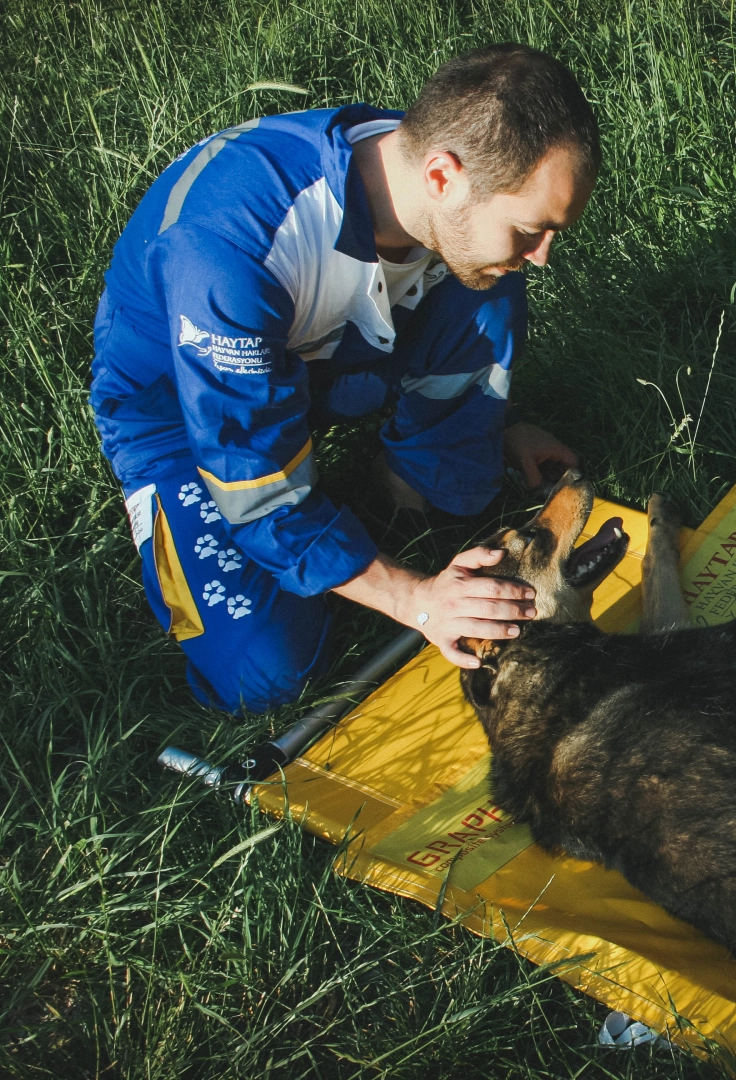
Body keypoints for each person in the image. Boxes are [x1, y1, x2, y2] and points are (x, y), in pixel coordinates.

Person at [91, 44, 599, 712]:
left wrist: (492, 428)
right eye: (533, 230)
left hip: (324, 360)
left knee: (487, 288)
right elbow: (254, 486)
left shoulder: (432, 176)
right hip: (186, 420)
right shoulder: (231, 248)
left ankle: (427, 466)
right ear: (443, 176)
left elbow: (486, 262)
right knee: (264, 677)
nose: (544, 256)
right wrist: (415, 599)